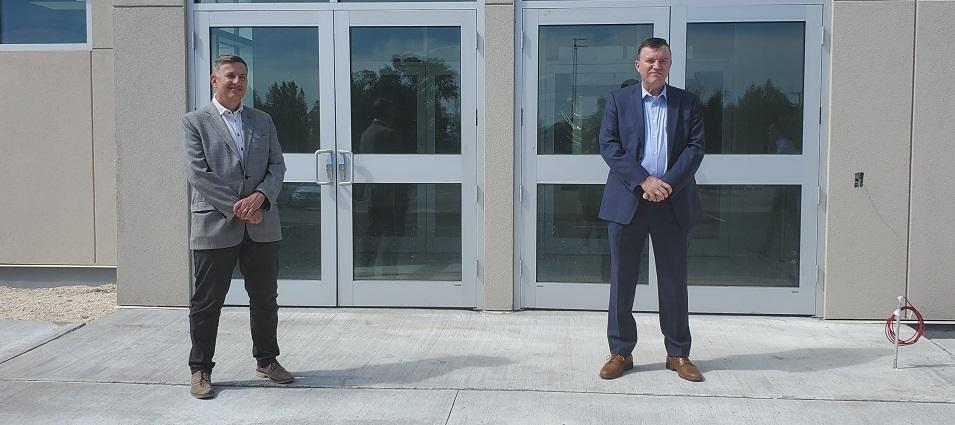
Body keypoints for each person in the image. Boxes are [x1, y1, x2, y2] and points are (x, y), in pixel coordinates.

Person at [181, 55, 293, 399]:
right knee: (206, 302)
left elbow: (277, 166)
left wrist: (260, 197)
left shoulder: (263, 120)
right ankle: (201, 369)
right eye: (230, 75)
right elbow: (198, 174)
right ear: (214, 81)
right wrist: (239, 207)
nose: (237, 81)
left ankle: (267, 360)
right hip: (216, 225)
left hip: (262, 225)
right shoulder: (195, 122)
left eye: (242, 76)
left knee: (264, 299)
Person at [596, 38, 706, 382]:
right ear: (637, 65)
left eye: (663, 60)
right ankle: (620, 351)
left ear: (670, 64)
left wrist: (666, 183)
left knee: (674, 281)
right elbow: (608, 146)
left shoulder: (688, 103)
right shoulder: (619, 100)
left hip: (672, 203)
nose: (656, 65)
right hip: (628, 201)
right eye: (650, 60)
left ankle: (678, 353)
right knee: (622, 280)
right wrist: (645, 181)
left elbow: (695, 148)